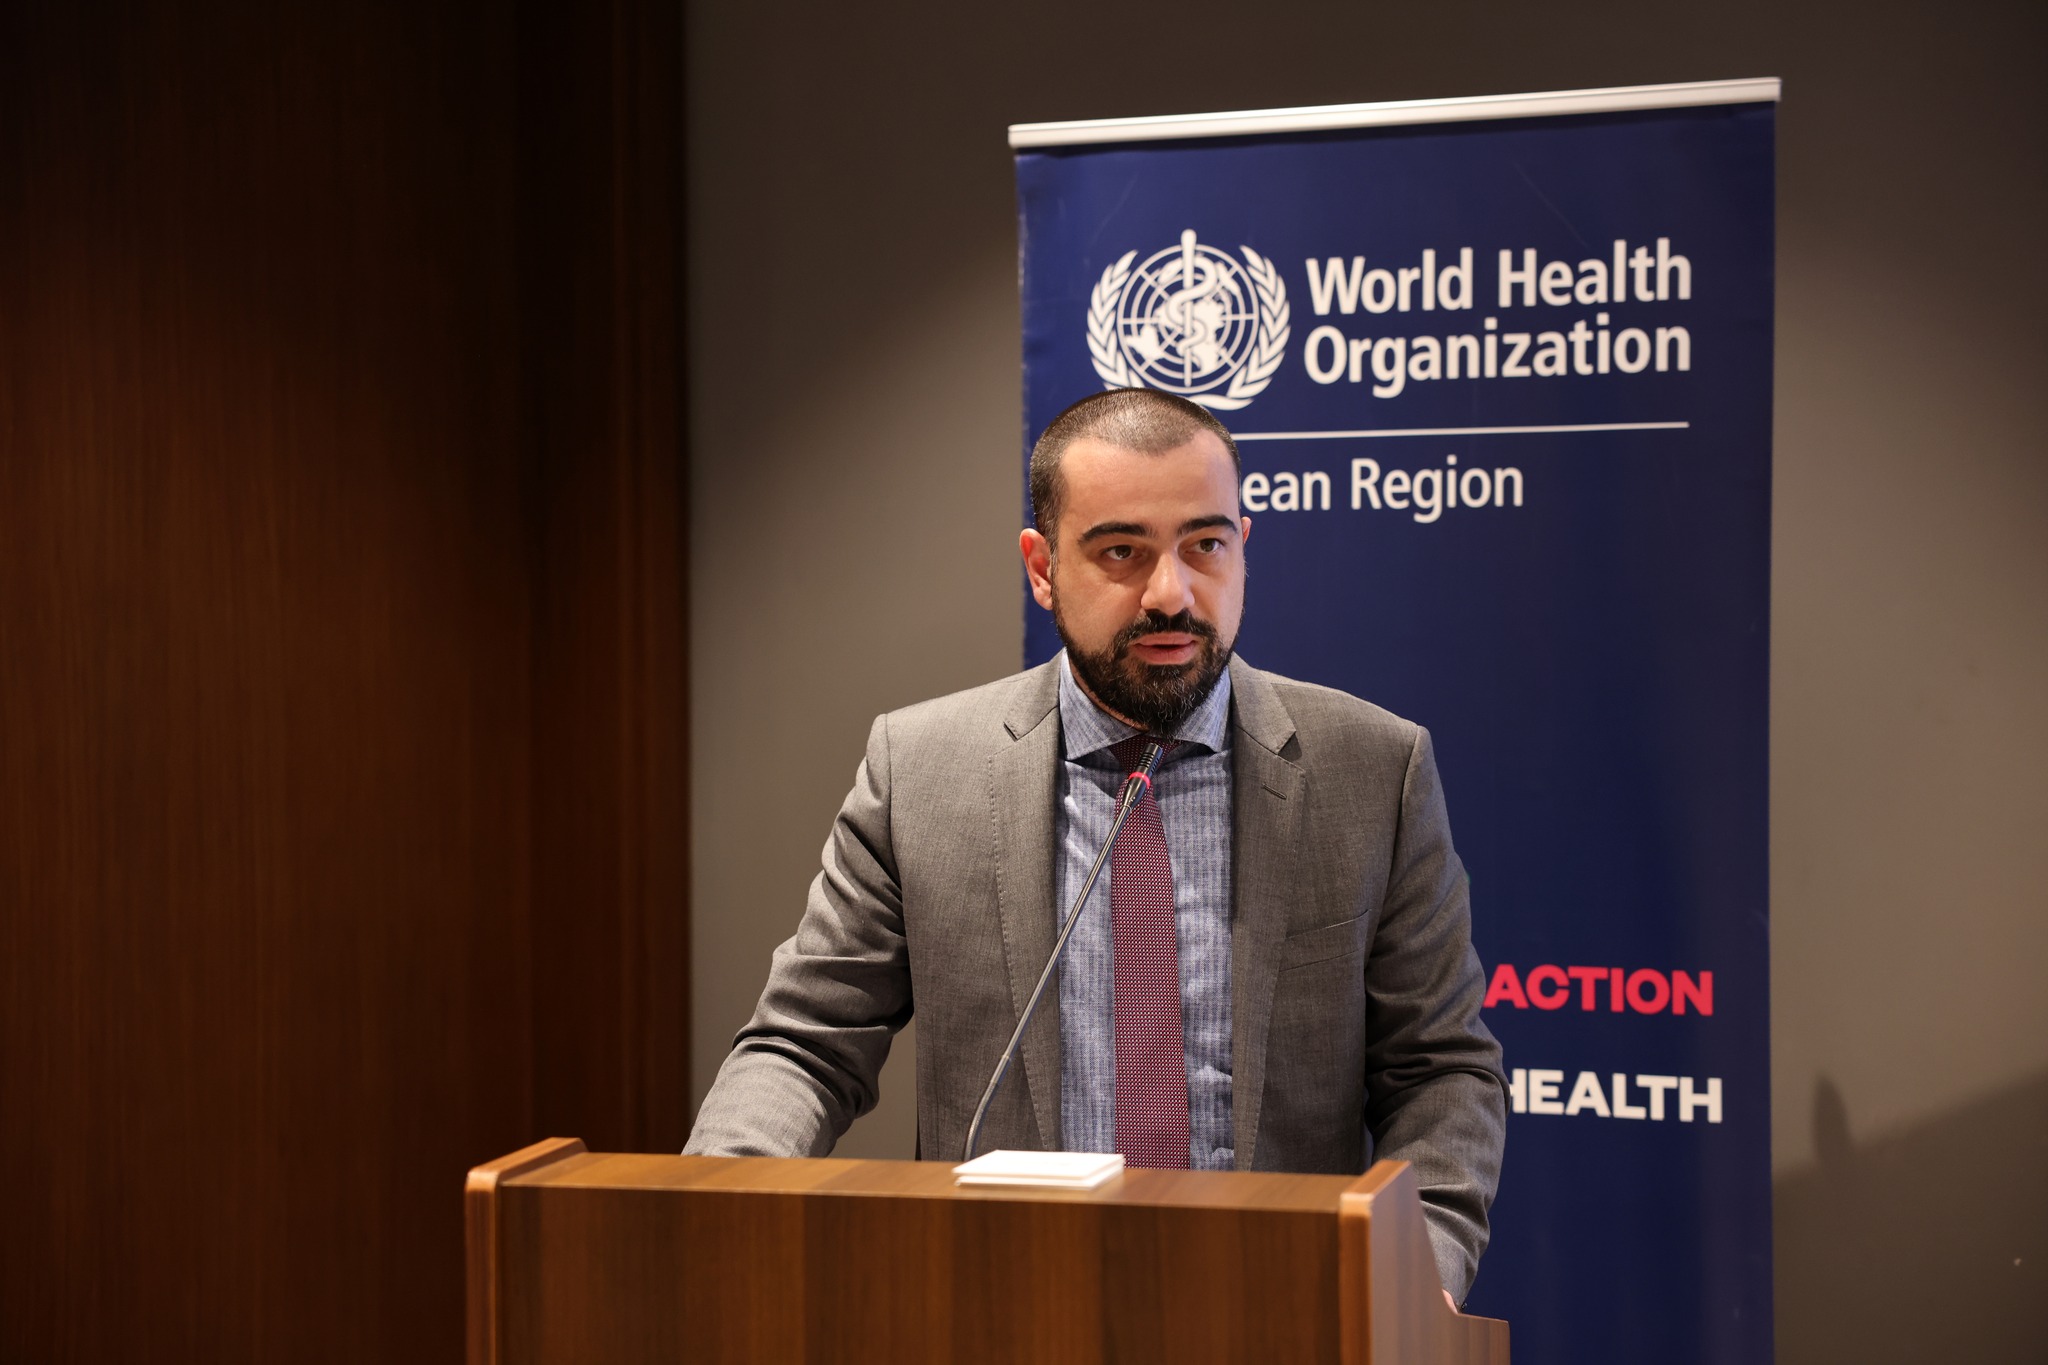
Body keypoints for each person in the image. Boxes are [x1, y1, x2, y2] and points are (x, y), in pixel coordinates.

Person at [686, 388, 1506, 1302]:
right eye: (1122, 551)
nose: (1171, 594)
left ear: (1243, 546)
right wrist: (715, 1211)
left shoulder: (1372, 770)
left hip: (1281, 1309)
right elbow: (806, 1043)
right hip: (1006, 1310)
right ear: (1042, 568)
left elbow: (1439, 1071)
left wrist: (1416, 1269)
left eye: (1206, 545)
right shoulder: (919, 772)